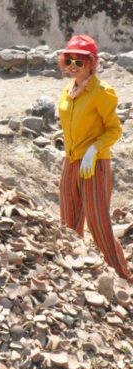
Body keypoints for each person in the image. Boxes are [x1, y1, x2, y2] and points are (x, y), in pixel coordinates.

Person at [58, 34, 133, 281]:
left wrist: (94, 150)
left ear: (92, 63)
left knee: (98, 224)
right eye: (69, 60)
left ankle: (123, 276)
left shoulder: (102, 92)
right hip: (70, 161)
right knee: (68, 221)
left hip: (94, 164)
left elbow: (115, 129)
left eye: (79, 61)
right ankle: (75, 272)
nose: (73, 66)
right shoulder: (67, 91)